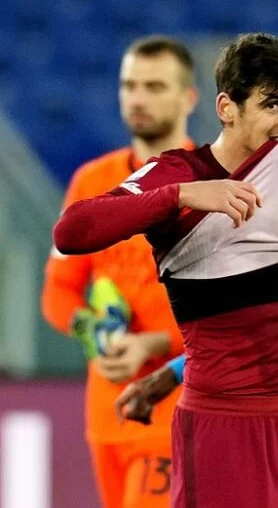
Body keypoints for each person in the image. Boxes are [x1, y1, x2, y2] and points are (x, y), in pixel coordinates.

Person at [53, 32, 278, 508]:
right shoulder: (177, 174)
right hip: (221, 431)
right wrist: (180, 196)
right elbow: (73, 230)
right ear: (227, 107)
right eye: (273, 105)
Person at [41, 36, 198, 508]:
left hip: (176, 404)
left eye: (154, 85)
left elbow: (235, 311)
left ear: (188, 98)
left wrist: (156, 344)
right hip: (107, 412)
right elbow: (59, 290)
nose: (138, 98)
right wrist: (93, 331)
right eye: (130, 85)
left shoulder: (211, 183)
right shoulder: (92, 182)